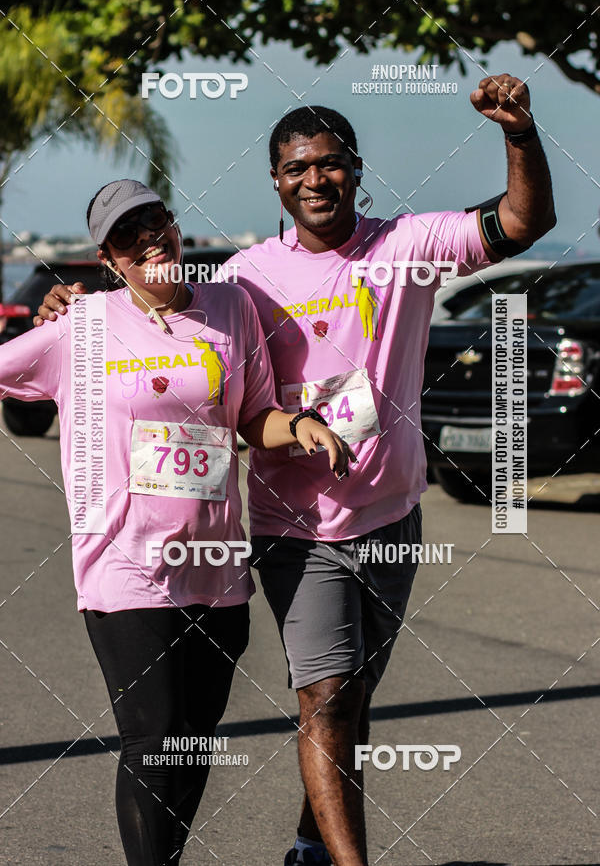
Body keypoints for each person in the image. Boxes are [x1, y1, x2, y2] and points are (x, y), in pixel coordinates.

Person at [35, 75, 556, 866]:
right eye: (296, 168)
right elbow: (165, 312)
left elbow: (523, 222)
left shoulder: (407, 247)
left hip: (392, 515)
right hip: (295, 526)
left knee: (352, 695)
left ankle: (311, 845)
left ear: (355, 167)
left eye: (329, 162)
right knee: (328, 693)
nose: (315, 178)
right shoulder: (246, 278)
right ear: (276, 183)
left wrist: (518, 134)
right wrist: (74, 311)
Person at [6, 178, 353, 866]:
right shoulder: (83, 324)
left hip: (216, 570)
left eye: (153, 221)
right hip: (125, 565)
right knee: (153, 738)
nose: (147, 240)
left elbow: (253, 414)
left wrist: (300, 426)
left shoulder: (231, 306)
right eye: (126, 236)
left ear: (174, 225)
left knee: (192, 741)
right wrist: (42, 318)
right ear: (109, 259)